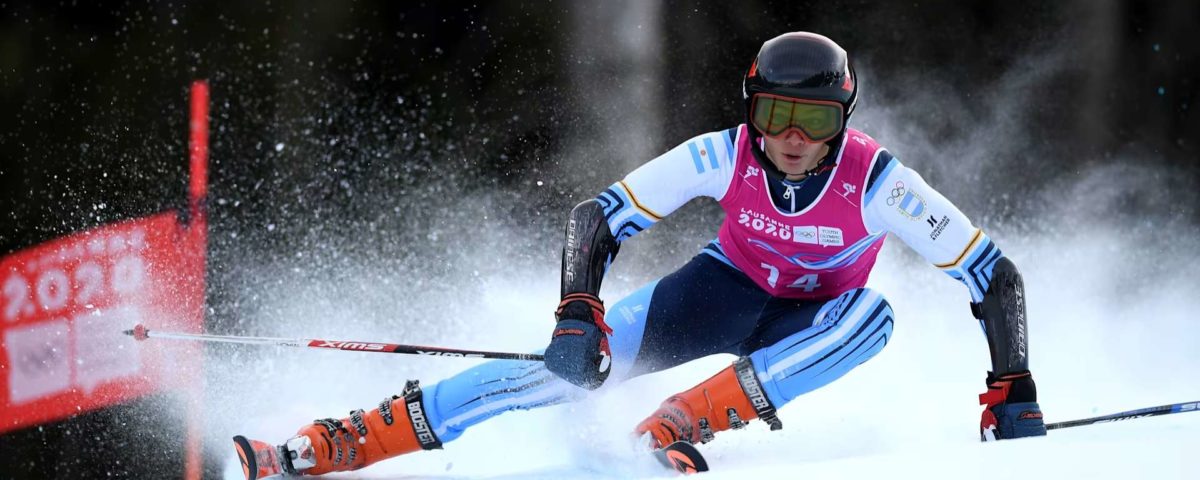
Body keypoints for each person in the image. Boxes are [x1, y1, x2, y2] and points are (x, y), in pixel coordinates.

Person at [233, 31, 1046, 479]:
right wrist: (577, 313)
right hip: (716, 293)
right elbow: (599, 217)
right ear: (752, 112)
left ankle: (676, 426)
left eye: (816, 121)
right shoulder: (722, 153)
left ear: (844, 120)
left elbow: (991, 273)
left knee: (873, 319)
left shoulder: (880, 183)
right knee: (560, 372)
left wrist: (1011, 383)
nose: (793, 139)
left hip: (811, 322)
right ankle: (337, 443)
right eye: (775, 115)